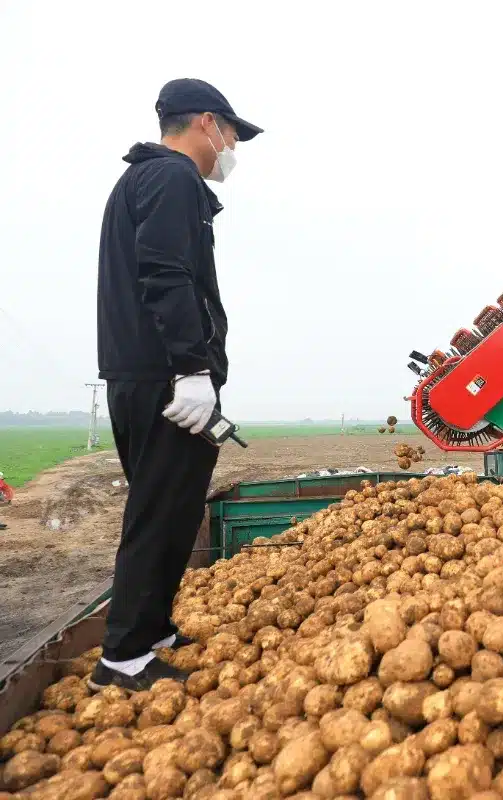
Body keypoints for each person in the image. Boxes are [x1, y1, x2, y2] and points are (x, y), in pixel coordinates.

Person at [92, 79, 262, 690]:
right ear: (207, 124)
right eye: (233, 136)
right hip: (164, 377)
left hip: (143, 373)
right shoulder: (171, 179)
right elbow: (166, 274)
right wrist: (191, 369)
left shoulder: (141, 180)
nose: (232, 149)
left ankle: (152, 628)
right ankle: (124, 658)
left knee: (173, 507)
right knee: (159, 512)